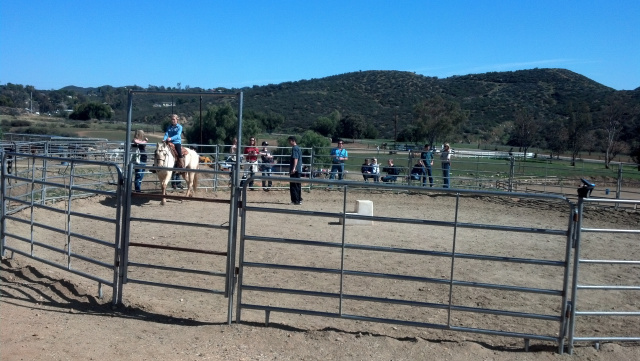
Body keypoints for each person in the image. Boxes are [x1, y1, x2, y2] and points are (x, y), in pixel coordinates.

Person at [163, 114, 184, 189]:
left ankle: (182, 166)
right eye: (172, 119)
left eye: (174, 119)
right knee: (161, 151)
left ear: (177, 120)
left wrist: (170, 138)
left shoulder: (179, 127)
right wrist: (164, 138)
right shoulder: (169, 127)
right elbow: (166, 134)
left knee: (179, 153)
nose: (173, 120)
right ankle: (158, 165)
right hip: (169, 142)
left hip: (176, 142)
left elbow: (178, 135)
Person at [288, 136, 303, 205]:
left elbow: (295, 158)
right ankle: (299, 199)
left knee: (293, 185)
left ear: (293, 141)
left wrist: (294, 168)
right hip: (298, 169)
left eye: (290, 141)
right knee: (298, 185)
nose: (289, 142)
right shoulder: (298, 148)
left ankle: (295, 200)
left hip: (295, 170)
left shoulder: (294, 148)